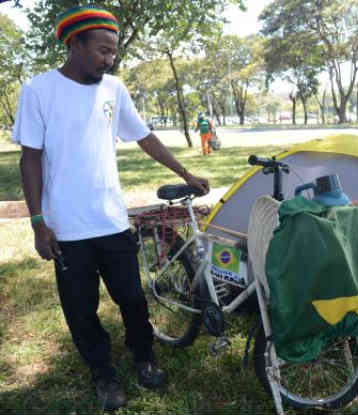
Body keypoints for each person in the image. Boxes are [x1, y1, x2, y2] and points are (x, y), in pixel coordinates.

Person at [11, 5, 210, 411]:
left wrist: (186, 173)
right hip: (67, 231)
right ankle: (103, 374)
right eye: (102, 51)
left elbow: (144, 137)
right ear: (75, 43)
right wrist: (37, 223)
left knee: (133, 301)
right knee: (81, 312)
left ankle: (144, 358)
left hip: (112, 222)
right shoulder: (38, 91)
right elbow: (29, 159)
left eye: (113, 52)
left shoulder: (113, 89)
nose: (110, 58)